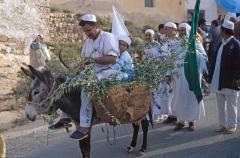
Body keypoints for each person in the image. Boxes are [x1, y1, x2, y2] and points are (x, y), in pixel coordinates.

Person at [70, 14, 121, 140]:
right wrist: (79, 67)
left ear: (97, 26)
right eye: (85, 31)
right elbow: (84, 60)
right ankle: (65, 116)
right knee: (68, 83)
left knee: (87, 87)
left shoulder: (107, 37)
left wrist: (92, 61)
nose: (87, 34)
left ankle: (85, 126)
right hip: (93, 72)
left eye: (88, 30)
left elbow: (112, 58)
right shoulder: (88, 41)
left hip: (110, 71)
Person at [173, 22, 207, 131]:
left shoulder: (195, 42)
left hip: (192, 75)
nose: (182, 32)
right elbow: (171, 59)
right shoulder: (176, 43)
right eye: (180, 30)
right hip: (178, 76)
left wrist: (193, 53)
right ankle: (181, 121)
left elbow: (204, 56)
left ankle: (192, 121)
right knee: (180, 96)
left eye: (183, 30)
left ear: (187, 30)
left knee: (191, 96)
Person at [210, 20, 240, 134]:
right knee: (220, 103)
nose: (219, 32)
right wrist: (211, 75)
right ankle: (222, 124)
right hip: (219, 80)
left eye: (220, 30)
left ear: (224, 31)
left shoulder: (236, 45)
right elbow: (215, 60)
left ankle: (232, 125)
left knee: (231, 104)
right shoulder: (221, 43)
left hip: (230, 81)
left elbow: (238, 65)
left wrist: (235, 80)